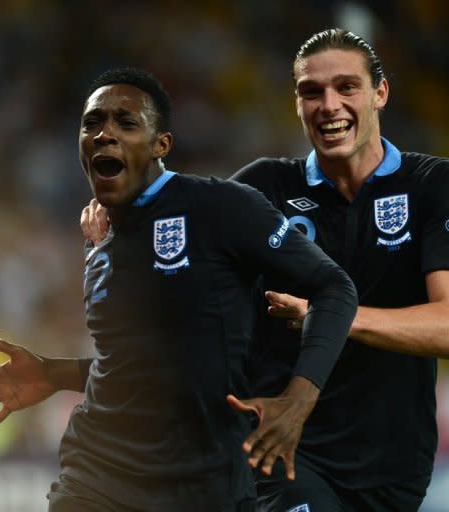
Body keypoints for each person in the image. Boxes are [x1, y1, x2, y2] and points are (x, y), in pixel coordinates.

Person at [0, 67, 358, 512]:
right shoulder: (102, 241)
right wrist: (54, 374)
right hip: (99, 475)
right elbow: (145, 364)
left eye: (126, 123)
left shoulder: (220, 207)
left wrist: (299, 399)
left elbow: (334, 287)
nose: (105, 134)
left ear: (161, 144)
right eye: (92, 123)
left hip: (204, 485)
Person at [77, 29, 449, 511]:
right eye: (311, 92)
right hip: (278, 454)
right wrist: (112, 244)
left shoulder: (431, 185)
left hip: (396, 468)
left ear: (380, 93)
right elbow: (178, 277)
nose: (328, 105)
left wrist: (329, 315)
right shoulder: (262, 188)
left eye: (346, 87)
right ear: (296, 103)